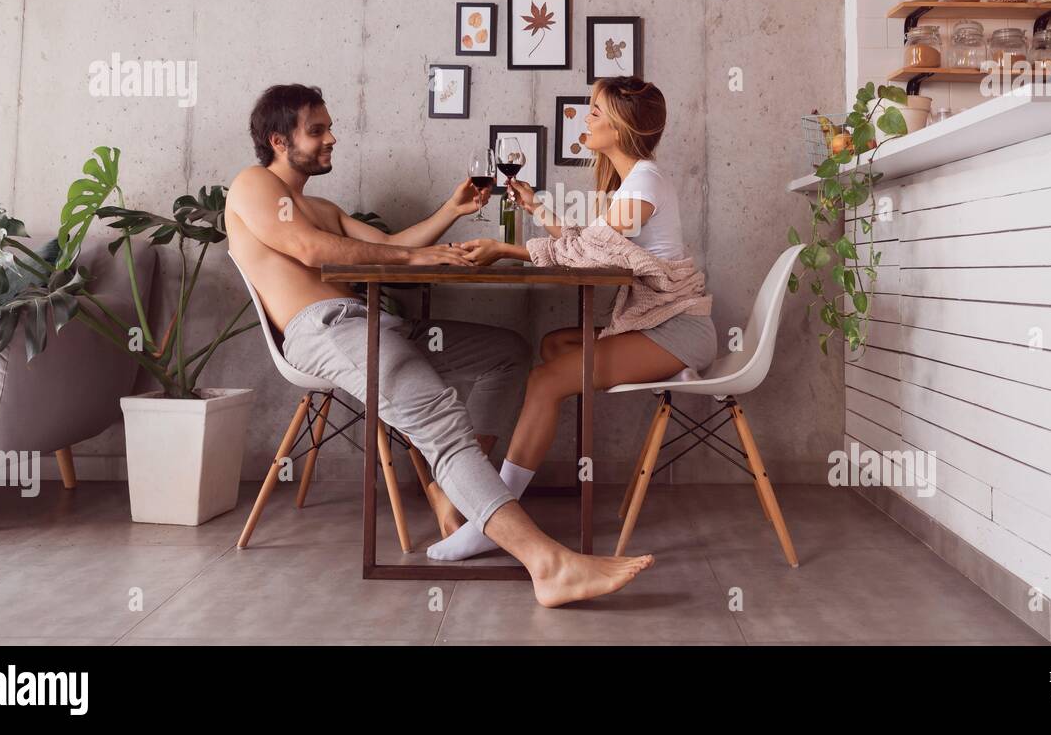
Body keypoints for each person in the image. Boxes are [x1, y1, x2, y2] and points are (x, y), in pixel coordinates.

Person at [224, 83, 653, 605]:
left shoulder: (320, 205)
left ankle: (460, 491)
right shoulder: (252, 185)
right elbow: (312, 252)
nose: (332, 137)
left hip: (368, 323)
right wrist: (416, 262)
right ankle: (549, 564)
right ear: (277, 140)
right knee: (439, 418)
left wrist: (451, 210)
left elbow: (386, 247)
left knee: (507, 352)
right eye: (317, 130)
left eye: (330, 126)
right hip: (325, 330)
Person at [428, 75, 716, 561]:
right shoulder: (637, 181)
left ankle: (491, 517)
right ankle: (654, 367)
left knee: (545, 381)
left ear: (622, 126)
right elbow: (593, 243)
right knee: (557, 346)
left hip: (679, 330)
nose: (587, 119)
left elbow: (586, 253)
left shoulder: (644, 180)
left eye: (597, 112)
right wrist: (537, 208)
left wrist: (503, 249)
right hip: (661, 324)